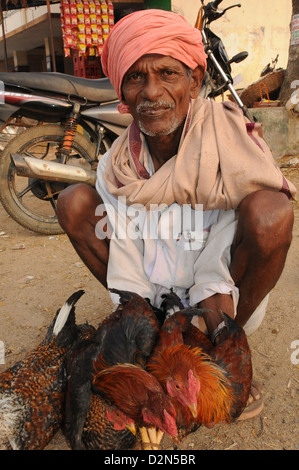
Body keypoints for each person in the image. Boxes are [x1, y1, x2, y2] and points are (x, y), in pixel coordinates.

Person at [56, 9, 297, 420]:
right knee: (73, 202)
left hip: (220, 283)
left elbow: (227, 234)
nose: (152, 92)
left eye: (168, 73)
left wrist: (209, 323)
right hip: (154, 284)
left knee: (271, 212)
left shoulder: (227, 140)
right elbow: (127, 245)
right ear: (122, 93)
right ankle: (149, 328)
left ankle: (231, 346)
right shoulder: (118, 165)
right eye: (136, 77)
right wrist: (141, 324)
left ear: (195, 81)